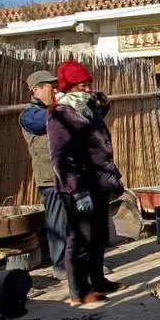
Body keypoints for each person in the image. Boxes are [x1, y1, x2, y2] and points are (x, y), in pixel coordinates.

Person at [47, 60, 126, 305]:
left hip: (99, 182)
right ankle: (78, 292)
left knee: (100, 234)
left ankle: (98, 279)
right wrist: (77, 191)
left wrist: (104, 102)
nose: (87, 89)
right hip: (78, 186)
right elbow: (61, 157)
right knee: (80, 239)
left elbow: (98, 119)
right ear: (69, 88)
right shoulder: (60, 114)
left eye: (88, 84)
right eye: (82, 85)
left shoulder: (86, 108)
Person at [19, 70, 68, 280]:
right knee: (58, 223)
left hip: (68, 176)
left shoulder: (56, 110)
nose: (55, 90)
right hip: (49, 179)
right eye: (50, 87)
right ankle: (61, 265)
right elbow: (45, 122)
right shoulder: (29, 115)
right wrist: (65, 106)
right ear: (36, 90)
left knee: (77, 222)